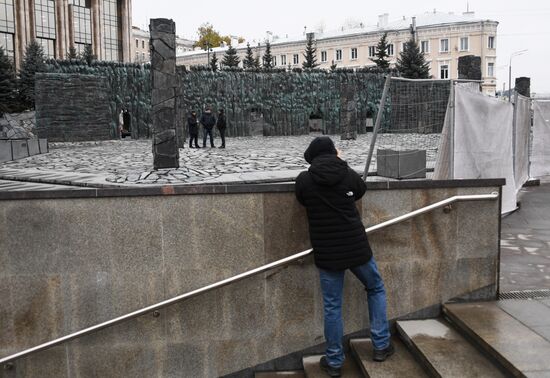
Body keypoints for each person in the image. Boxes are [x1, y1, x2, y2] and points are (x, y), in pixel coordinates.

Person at [295, 137, 393, 377]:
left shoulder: (304, 181)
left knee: (332, 306)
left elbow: (301, 200)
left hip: (328, 253)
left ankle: (335, 361)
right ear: (333, 153)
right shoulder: (347, 174)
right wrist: (341, 162)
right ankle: (381, 346)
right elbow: (360, 190)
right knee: (376, 288)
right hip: (356, 247)